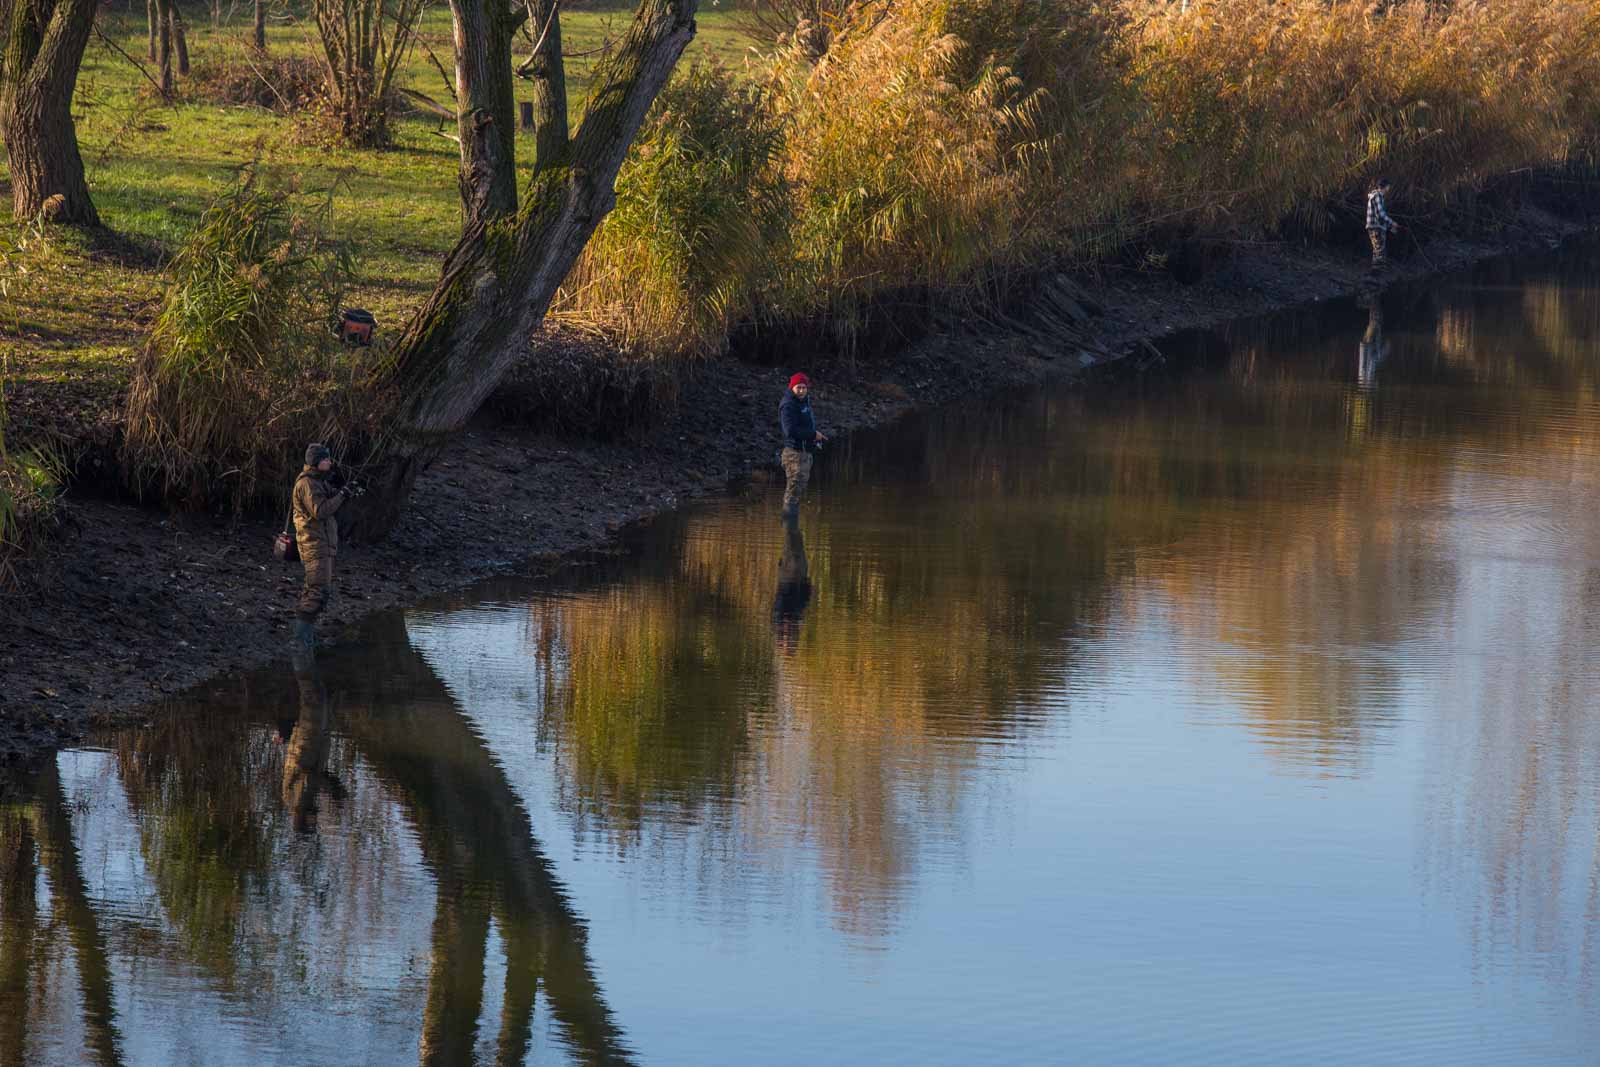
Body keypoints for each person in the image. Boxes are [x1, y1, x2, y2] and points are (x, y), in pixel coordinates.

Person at [290, 443, 352, 647]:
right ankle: (300, 641)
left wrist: (345, 491)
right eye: (326, 459)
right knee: (317, 593)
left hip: (322, 545)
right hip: (314, 545)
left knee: (316, 591)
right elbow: (320, 511)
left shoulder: (318, 482)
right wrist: (342, 495)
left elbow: (329, 500)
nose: (329, 462)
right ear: (316, 461)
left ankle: (306, 637)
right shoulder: (307, 484)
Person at [778, 372, 827, 517]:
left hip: (805, 452)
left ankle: (792, 524)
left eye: (804, 387)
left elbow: (805, 425)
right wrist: (812, 434)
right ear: (792, 387)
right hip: (794, 454)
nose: (801, 390)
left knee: (798, 489)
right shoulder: (788, 405)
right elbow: (790, 430)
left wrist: (815, 437)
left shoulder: (804, 402)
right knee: (793, 491)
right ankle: (789, 525)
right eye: (798, 387)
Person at [1366, 177, 1401, 269]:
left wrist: (1389, 227)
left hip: (1374, 226)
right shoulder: (1378, 196)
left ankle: (1375, 272)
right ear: (1385, 186)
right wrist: (1392, 223)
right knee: (1379, 251)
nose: (1389, 189)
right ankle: (1377, 273)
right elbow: (1381, 214)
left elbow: (1379, 215)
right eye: (1388, 186)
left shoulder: (1374, 195)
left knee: (1377, 249)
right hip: (1376, 227)